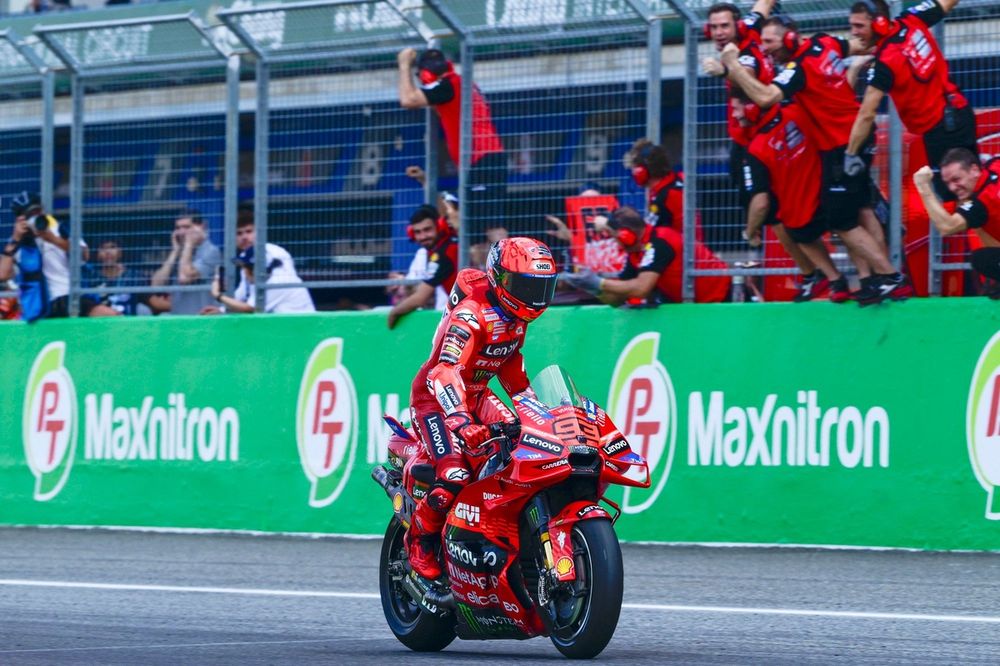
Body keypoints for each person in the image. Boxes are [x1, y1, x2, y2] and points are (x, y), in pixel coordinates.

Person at [719, 15, 912, 301]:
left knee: (842, 221)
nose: (766, 49)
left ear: (790, 37)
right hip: (855, 137)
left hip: (842, 146)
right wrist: (866, 60)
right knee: (860, 211)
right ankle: (870, 279)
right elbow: (858, 45)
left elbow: (766, 97)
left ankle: (890, 277)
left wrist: (732, 65)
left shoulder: (798, 68)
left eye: (770, 42)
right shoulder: (826, 41)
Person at [404, 237, 558, 579]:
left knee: (524, 448)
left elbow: (513, 373)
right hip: (435, 400)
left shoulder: (517, 319)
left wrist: (541, 417)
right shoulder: (471, 315)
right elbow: (444, 371)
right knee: (454, 474)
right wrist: (459, 419)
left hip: (477, 395)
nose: (533, 296)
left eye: (541, 287)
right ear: (499, 277)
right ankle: (420, 540)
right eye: (524, 285)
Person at [845, 0, 975, 200]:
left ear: (879, 23)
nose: (854, 32)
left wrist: (851, 153)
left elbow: (866, 114)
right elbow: (946, 3)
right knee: (976, 188)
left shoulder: (884, 63)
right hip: (960, 112)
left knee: (959, 198)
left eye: (859, 26)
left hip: (941, 131)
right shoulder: (911, 18)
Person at [733, 94, 850, 303]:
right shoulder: (775, 125)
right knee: (797, 226)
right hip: (804, 181)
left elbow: (761, 202)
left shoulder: (780, 122)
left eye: (737, 109)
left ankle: (875, 278)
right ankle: (822, 278)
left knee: (843, 223)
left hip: (824, 179)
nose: (733, 115)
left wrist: (749, 232)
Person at [397, 47, 506, 243]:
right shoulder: (459, 84)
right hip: (482, 159)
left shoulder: (448, 86)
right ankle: (487, 270)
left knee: (491, 224)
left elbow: (408, 99)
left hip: (482, 158)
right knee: (475, 229)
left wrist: (404, 64)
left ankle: (509, 269)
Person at [561, 206, 730, 305]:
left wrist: (600, 282)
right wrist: (592, 287)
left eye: (616, 238)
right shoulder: (634, 254)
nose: (616, 244)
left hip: (722, 297)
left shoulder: (660, 241)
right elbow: (617, 299)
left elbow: (641, 289)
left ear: (627, 235)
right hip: (698, 305)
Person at [913, 149, 1000, 293]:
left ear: (974, 170)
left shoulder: (982, 203)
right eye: (948, 183)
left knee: (981, 259)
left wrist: (923, 187)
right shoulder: (995, 164)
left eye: (956, 179)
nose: (952, 188)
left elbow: (947, 227)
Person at [0, 191, 87, 320]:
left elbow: (84, 255)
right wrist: (15, 238)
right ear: (20, 219)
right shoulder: (17, 242)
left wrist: (52, 239)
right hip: (37, 305)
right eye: (30, 215)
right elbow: (3, 275)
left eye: (38, 212)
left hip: (68, 296)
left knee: (108, 315)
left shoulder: (60, 229)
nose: (35, 216)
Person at [207, 210, 314, 314]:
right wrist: (222, 310)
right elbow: (243, 292)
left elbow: (251, 307)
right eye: (239, 233)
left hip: (299, 323)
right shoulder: (245, 257)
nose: (244, 237)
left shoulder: (276, 257)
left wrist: (218, 295)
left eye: (249, 231)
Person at [387, 204, 458, 329]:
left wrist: (394, 313)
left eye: (427, 230)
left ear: (439, 226)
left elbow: (420, 298)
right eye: (417, 232)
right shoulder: (444, 247)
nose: (423, 236)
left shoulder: (446, 252)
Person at [149, 210, 222, 315]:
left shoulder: (211, 251)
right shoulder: (180, 254)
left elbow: (184, 277)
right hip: (179, 317)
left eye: (187, 227)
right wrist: (175, 251)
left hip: (202, 316)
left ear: (202, 227)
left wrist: (189, 245)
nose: (181, 232)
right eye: (178, 228)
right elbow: (156, 285)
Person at [626, 138, 692, 236]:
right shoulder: (678, 178)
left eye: (635, 169)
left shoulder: (664, 197)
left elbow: (646, 235)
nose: (634, 173)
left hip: (680, 248)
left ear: (642, 172)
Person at [81, 240, 149, 316]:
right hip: (102, 320)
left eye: (112, 247)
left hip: (129, 320)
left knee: (143, 309)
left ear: (120, 252)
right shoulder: (92, 277)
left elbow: (149, 299)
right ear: (98, 253)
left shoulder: (133, 275)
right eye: (103, 248)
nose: (108, 252)